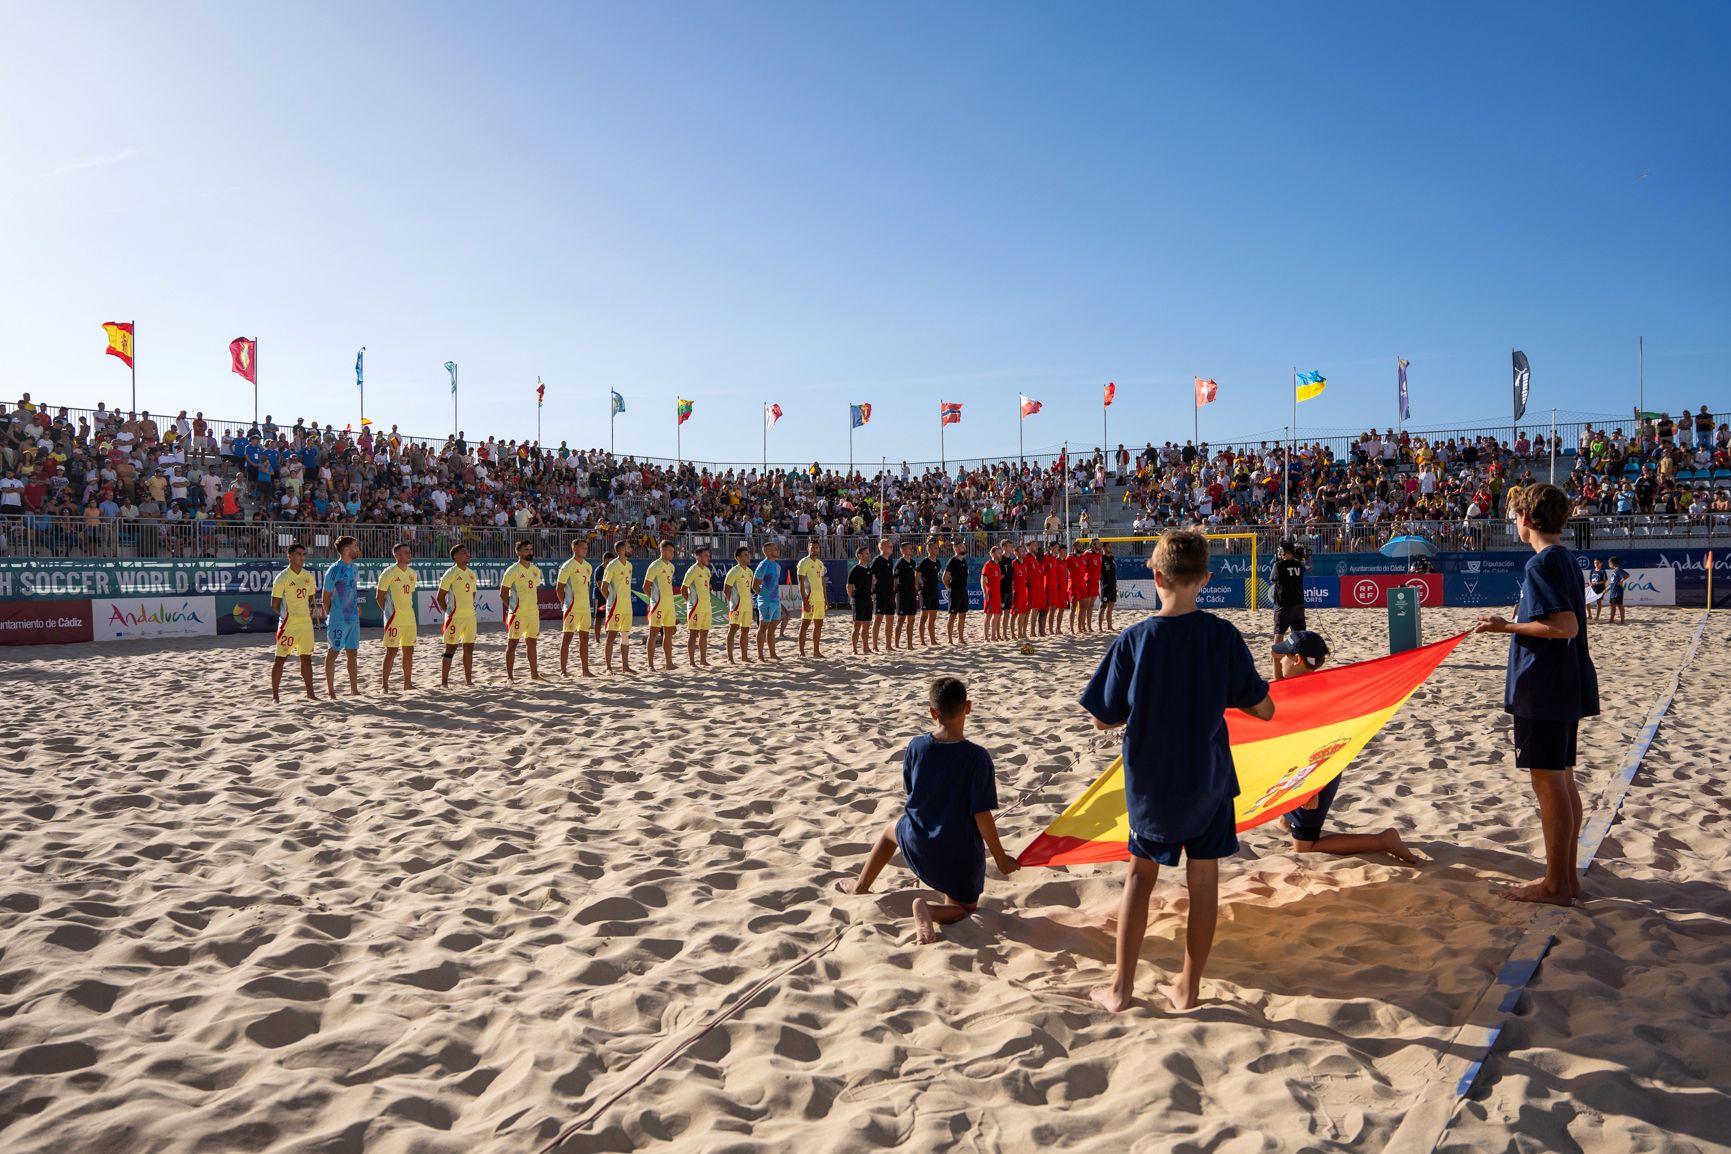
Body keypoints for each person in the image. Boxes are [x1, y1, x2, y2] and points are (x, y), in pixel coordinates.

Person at [1079, 530, 1275, 1013]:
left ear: (1156, 576)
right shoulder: (1222, 636)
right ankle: (1188, 989)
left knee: (1139, 878)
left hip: (1152, 782)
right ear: (1205, 579)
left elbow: (1103, 717)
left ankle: (1121, 990)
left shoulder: (1135, 640)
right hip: (1208, 777)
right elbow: (1264, 709)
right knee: (1204, 881)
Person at [1476, 483, 1600, 906]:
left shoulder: (1541, 563)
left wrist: (1505, 627)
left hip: (1544, 684)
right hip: (1564, 681)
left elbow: (1565, 626)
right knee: (1562, 778)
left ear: (1526, 519)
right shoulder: (1565, 558)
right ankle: (1567, 877)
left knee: (1549, 782)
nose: (1515, 523)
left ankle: (1555, 885)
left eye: (1515, 516)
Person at [836, 677, 1019, 944]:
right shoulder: (977, 757)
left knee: (889, 831)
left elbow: (911, 790)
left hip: (917, 840)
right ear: (968, 707)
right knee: (964, 908)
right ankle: (929, 910)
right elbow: (982, 814)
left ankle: (860, 886)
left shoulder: (917, 746)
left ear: (933, 713)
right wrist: (1000, 858)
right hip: (956, 855)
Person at [1270, 629, 1420, 862]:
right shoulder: (1307, 683)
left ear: (1297, 659)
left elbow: (1319, 746)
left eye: (1285, 657)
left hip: (1315, 772)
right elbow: (1279, 686)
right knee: (1285, 808)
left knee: (1304, 848)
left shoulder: (1311, 697)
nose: (1281, 661)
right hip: (1301, 768)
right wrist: (1276, 660)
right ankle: (1288, 818)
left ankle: (1383, 840)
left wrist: (1312, 789)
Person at [269, 541, 320, 702]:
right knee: (280, 659)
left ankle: (310, 694)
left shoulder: (307, 576)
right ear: (289, 556)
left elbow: (310, 597)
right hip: (288, 625)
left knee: (307, 659)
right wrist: (287, 617)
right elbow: (274, 604)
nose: (302, 557)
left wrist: (307, 610)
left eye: (303, 554)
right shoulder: (282, 578)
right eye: (298, 554)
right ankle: (275, 696)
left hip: (305, 625)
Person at [320, 535, 363, 698]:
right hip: (338, 618)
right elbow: (325, 598)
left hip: (353, 618)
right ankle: (331, 691)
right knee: (333, 652)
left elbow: (351, 591)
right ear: (346, 550)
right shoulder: (334, 569)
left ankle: (354, 689)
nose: (357, 549)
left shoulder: (354, 568)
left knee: (352, 653)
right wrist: (332, 616)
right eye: (354, 546)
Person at [435, 543, 479, 687]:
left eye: (467, 552)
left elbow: (472, 595)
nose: (467, 554)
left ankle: (468, 680)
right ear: (456, 556)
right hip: (455, 617)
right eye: (464, 552)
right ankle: (444, 682)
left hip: (470, 617)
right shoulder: (450, 573)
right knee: (450, 649)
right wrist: (449, 612)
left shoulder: (471, 573)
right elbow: (440, 597)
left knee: (469, 648)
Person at [500, 539, 544, 681]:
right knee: (512, 644)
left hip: (533, 613)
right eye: (526, 550)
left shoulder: (535, 570)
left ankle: (534, 674)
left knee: (532, 643)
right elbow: (503, 593)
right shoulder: (512, 570)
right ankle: (510, 677)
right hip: (517, 613)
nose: (529, 552)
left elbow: (533, 590)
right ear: (518, 552)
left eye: (530, 549)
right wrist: (513, 608)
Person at [377, 541, 418, 691]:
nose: (409, 554)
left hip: (409, 618)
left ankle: (407, 684)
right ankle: (384, 686)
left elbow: (408, 595)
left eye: (409, 552)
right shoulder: (389, 572)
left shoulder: (412, 573)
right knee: (391, 651)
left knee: (409, 651)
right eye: (406, 552)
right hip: (394, 618)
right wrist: (389, 613)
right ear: (397, 555)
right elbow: (379, 596)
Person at [556, 537, 594, 676]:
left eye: (586, 548)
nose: (585, 550)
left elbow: (586, 588)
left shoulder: (588, 566)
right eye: (582, 548)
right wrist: (566, 604)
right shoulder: (567, 566)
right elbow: (559, 589)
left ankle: (585, 670)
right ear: (574, 548)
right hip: (572, 608)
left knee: (584, 639)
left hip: (585, 608)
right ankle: (563, 670)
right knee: (567, 639)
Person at [1269, 540, 1307, 672]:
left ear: (1283, 552)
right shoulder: (1299, 564)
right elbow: (1303, 568)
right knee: (1299, 634)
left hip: (1284, 605)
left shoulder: (1278, 565)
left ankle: (1276, 659)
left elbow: (1273, 579)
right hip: (1298, 604)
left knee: (1279, 633)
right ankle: (1302, 659)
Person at [643, 540, 679, 672]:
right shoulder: (655, 565)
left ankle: (669, 663)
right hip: (658, 605)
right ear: (662, 551)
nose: (672, 554)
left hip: (669, 605)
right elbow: (646, 586)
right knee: (653, 633)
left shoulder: (671, 567)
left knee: (669, 634)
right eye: (670, 551)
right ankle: (650, 665)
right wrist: (654, 601)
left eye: (673, 552)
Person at [602, 540, 636, 674]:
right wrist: (611, 601)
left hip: (627, 607)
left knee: (626, 637)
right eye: (628, 547)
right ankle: (608, 667)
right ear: (622, 550)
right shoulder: (612, 565)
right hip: (615, 607)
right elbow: (604, 587)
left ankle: (625, 666)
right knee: (611, 637)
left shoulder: (629, 565)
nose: (631, 548)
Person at [681, 545, 715, 667]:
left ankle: (703, 660)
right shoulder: (693, 570)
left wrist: (708, 588)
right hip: (696, 607)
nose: (708, 558)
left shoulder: (707, 571)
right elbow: (683, 588)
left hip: (706, 606)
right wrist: (690, 602)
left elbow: (706, 586)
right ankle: (692, 662)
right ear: (698, 557)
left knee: (704, 634)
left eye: (708, 556)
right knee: (693, 634)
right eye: (706, 556)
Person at [724, 544, 755, 664]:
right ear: (738, 558)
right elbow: (726, 589)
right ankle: (730, 658)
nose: (748, 557)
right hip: (737, 605)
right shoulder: (734, 571)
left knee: (745, 631)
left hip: (748, 605)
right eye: (745, 555)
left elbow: (749, 589)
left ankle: (744, 657)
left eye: (748, 554)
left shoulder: (750, 572)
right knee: (733, 629)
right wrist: (732, 603)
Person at [796, 539, 828, 658]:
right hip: (809, 598)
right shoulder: (803, 562)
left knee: (819, 625)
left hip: (820, 598)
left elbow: (822, 582)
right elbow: (800, 583)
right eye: (812, 547)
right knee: (805, 624)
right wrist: (805, 601)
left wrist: (826, 599)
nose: (814, 550)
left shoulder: (820, 563)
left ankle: (816, 651)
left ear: (819, 549)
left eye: (816, 548)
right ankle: (801, 651)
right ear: (808, 548)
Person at [753, 541, 783, 661]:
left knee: (773, 627)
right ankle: (760, 655)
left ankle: (772, 654)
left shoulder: (777, 566)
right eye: (775, 549)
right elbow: (755, 585)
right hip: (766, 601)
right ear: (768, 551)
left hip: (776, 600)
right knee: (763, 626)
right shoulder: (763, 565)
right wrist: (764, 596)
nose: (778, 550)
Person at [870, 538, 897, 653]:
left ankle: (888, 645)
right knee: (878, 619)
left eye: (891, 546)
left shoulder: (890, 559)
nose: (891, 548)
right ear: (881, 547)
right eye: (888, 546)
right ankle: (874, 645)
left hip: (890, 593)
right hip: (880, 593)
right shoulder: (877, 560)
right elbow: (871, 575)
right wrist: (873, 588)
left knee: (890, 619)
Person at [848, 545, 874, 655]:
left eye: (869, 553)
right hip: (858, 600)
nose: (869, 555)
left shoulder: (868, 569)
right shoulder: (855, 569)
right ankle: (854, 649)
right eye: (866, 553)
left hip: (868, 599)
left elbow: (871, 584)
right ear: (860, 555)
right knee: (857, 625)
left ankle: (866, 648)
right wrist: (852, 599)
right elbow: (849, 586)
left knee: (866, 625)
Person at [894, 539, 919, 649]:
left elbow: (915, 576)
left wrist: (916, 587)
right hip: (902, 594)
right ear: (903, 551)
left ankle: (910, 644)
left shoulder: (913, 562)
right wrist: (895, 592)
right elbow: (894, 579)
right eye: (909, 548)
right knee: (901, 620)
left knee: (912, 619)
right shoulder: (899, 563)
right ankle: (896, 644)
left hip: (911, 593)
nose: (911, 550)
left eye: (911, 548)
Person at [916, 540, 942, 646]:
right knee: (923, 617)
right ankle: (922, 641)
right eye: (935, 548)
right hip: (925, 592)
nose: (937, 549)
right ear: (929, 550)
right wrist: (918, 588)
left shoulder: (938, 562)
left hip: (934, 591)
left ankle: (933, 640)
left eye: (937, 548)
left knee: (933, 618)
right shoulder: (924, 562)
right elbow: (917, 576)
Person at [944, 539, 969, 645]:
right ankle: (950, 640)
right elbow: (945, 577)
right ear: (955, 548)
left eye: (964, 546)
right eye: (961, 546)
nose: (964, 548)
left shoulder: (964, 561)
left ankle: (960, 638)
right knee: (952, 616)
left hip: (963, 590)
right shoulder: (952, 561)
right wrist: (949, 587)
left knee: (962, 615)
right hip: (955, 591)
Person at [981, 544, 1001, 642]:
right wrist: (985, 593)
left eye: (1000, 553)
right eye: (998, 553)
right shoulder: (988, 564)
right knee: (988, 615)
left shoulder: (997, 565)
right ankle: (986, 637)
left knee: (997, 615)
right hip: (990, 593)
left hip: (997, 593)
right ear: (992, 554)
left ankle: (993, 636)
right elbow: (983, 579)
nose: (1000, 555)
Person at [1097, 541, 1119, 632]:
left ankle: (1109, 626)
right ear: (1104, 548)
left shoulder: (1112, 558)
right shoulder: (1102, 559)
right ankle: (1100, 627)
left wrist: (1116, 585)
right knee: (1103, 606)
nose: (1110, 548)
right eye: (1108, 546)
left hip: (1113, 585)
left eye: (1110, 546)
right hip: (1105, 586)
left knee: (1111, 607)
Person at [1604, 554, 1628, 624]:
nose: (1609, 565)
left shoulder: (1618, 569)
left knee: (1620, 606)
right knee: (1612, 606)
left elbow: (1627, 575)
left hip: (1617, 592)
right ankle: (1611, 620)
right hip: (1613, 592)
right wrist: (1607, 589)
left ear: (1612, 563)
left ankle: (1622, 620)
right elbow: (1612, 583)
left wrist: (1621, 581)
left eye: (1609, 563)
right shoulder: (1614, 571)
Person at [1587, 557, 1608, 623]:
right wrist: (1590, 583)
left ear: (1601, 563)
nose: (1596, 564)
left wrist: (1596, 583)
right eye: (1595, 563)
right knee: (1587, 601)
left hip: (1600, 589)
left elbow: (1604, 581)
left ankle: (1597, 616)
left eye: (1597, 563)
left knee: (1598, 602)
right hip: (1592, 589)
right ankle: (1589, 615)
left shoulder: (1603, 571)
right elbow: (1589, 579)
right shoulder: (1592, 571)